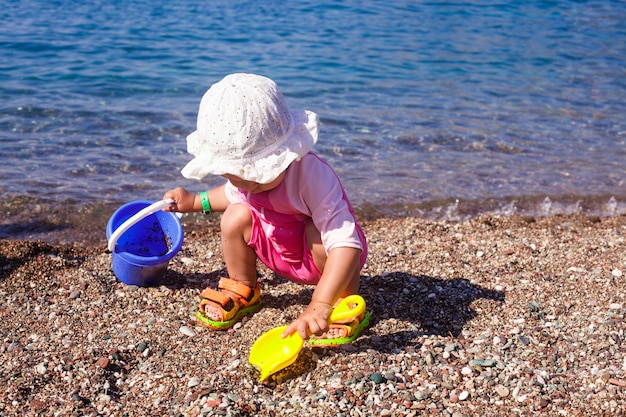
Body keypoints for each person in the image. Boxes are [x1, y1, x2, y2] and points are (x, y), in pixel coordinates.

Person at [163, 73, 368, 345]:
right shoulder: (245, 183)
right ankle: (244, 287)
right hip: (278, 249)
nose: (248, 183)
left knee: (319, 233)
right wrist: (192, 202)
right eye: (235, 175)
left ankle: (344, 301)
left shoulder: (313, 177)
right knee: (236, 214)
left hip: (326, 260)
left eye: (256, 175)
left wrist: (319, 303)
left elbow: (346, 243)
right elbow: (229, 194)